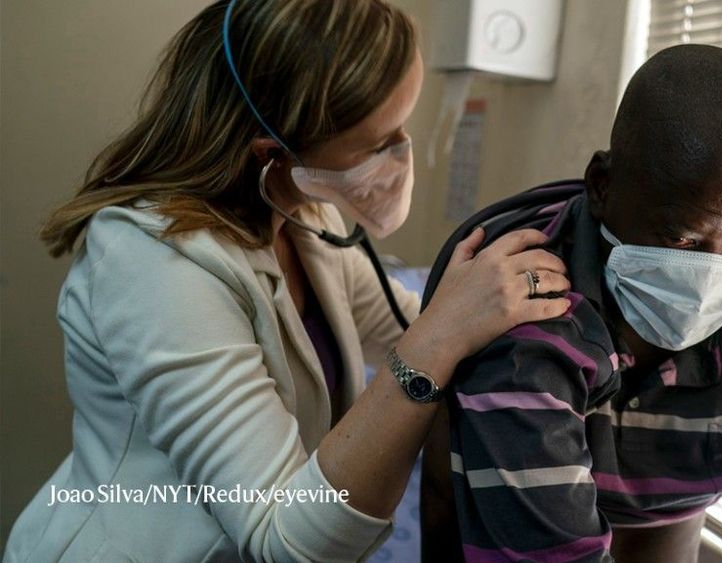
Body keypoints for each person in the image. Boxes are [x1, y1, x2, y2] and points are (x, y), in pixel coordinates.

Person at [3, 1, 572, 561]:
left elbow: (404, 323)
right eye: (379, 144)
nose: (402, 155)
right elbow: (286, 539)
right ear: (271, 153)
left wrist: (494, 310)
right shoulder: (153, 265)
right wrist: (440, 337)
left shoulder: (303, 215)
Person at [421, 44, 722, 562]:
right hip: (489, 522)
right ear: (602, 186)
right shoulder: (521, 307)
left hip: (661, 523)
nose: (710, 275)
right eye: (682, 239)